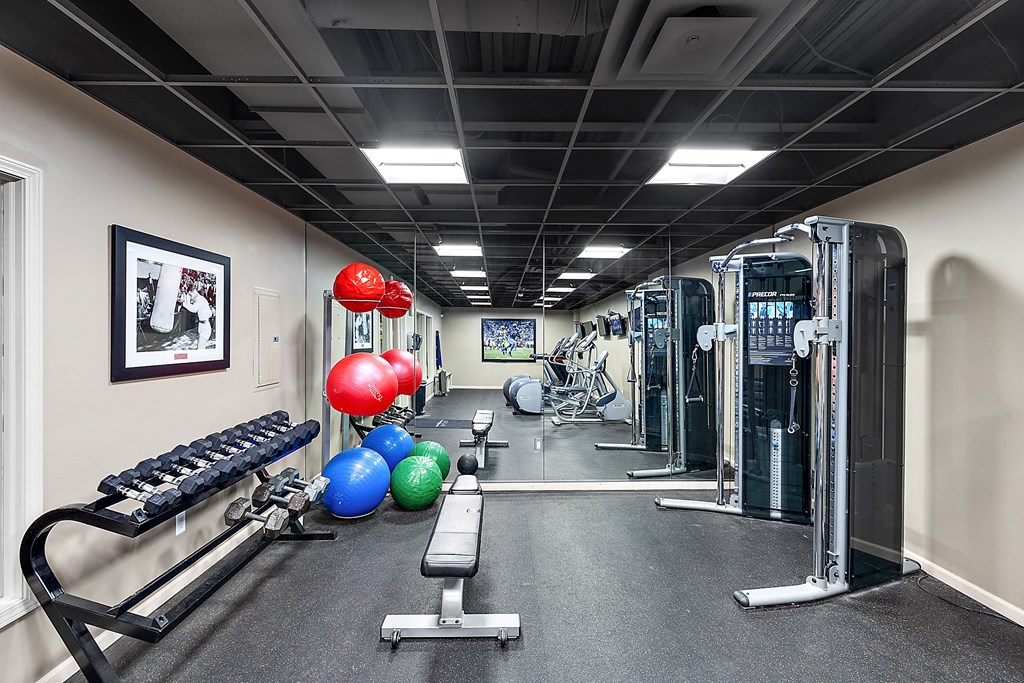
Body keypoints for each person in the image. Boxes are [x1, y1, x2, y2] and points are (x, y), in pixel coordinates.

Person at [181, 284, 213, 349]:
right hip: (203, 325)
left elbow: (194, 309)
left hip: (205, 327)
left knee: (200, 349)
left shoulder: (199, 300)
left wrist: (183, 304)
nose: (190, 297)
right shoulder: (202, 299)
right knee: (201, 348)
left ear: (194, 291)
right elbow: (210, 313)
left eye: (190, 295)